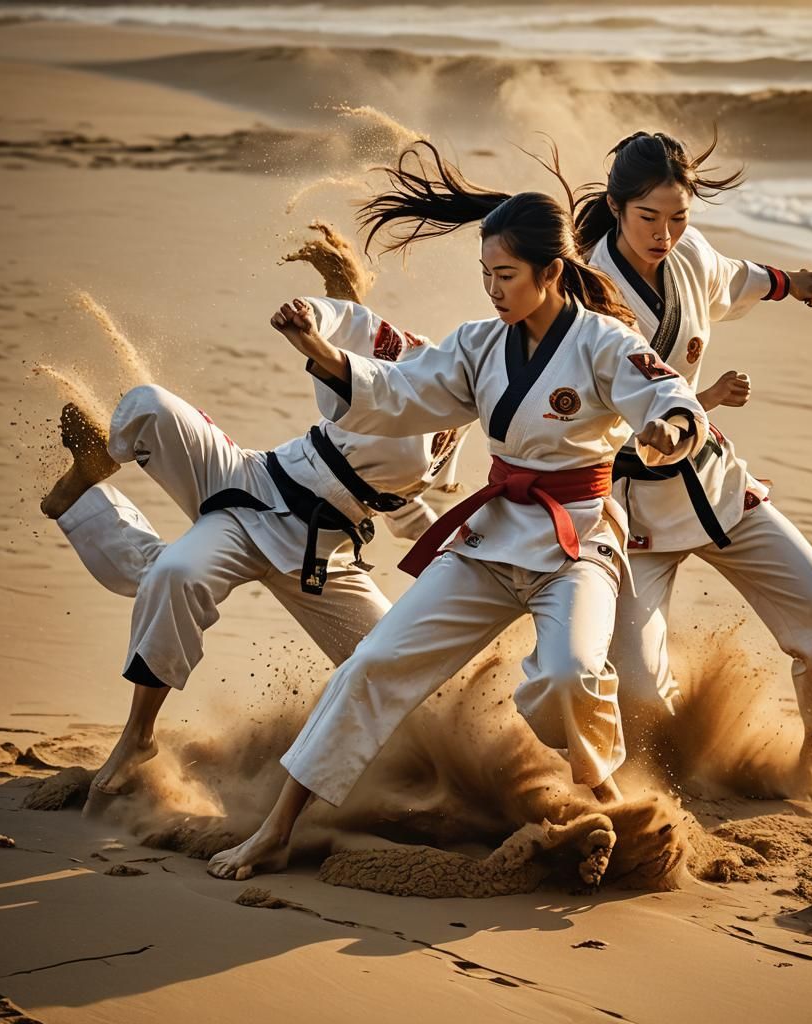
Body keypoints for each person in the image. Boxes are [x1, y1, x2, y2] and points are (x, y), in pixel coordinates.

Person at [207, 143, 708, 881]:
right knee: (374, 664)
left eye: (504, 277)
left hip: (578, 546)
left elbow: (668, 397)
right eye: (485, 277)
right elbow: (401, 393)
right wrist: (324, 354)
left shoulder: (606, 343)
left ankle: (604, 797)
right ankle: (279, 828)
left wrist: (670, 429)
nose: (493, 291)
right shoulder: (480, 345)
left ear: (550, 271)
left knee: (569, 676)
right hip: (491, 538)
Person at [576, 130, 812, 798]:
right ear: (614, 206)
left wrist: (792, 283)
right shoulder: (582, 293)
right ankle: (669, 784)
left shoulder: (688, 251)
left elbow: (735, 277)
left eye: (679, 217)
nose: (665, 234)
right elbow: (580, 418)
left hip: (716, 483)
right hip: (633, 509)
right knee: (634, 679)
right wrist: (702, 399)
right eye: (648, 218)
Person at [40, 303, 464, 798]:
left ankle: (398, 776)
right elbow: (349, 324)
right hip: (254, 484)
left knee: (396, 669)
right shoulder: (407, 354)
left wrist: (455, 553)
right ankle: (139, 736)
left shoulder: (458, 429)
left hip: (321, 554)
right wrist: (311, 317)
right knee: (150, 418)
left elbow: (404, 509)